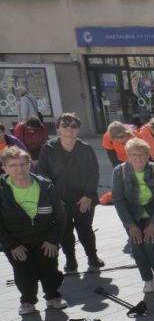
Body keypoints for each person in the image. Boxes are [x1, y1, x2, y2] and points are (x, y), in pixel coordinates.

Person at [0, 147, 66, 315]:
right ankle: (27, 301)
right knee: (24, 273)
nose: (19, 169)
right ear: (5, 168)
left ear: (30, 165)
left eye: (23, 164)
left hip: (45, 238)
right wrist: (11, 244)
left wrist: (53, 240)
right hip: (16, 241)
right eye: (13, 165)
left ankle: (53, 296)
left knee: (49, 269)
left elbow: (59, 215)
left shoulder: (45, 185)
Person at [39, 113, 103, 274]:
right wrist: (54, 199)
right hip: (60, 200)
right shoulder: (48, 148)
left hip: (84, 199)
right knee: (65, 231)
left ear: (78, 129)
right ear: (58, 128)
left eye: (73, 126)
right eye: (65, 125)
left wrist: (88, 195)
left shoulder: (86, 148)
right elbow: (43, 175)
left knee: (85, 229)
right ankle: (70, 260)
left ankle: (92, 256)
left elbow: (93, 173)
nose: (69, 129)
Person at [112, 138, 154, 294]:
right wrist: (130, 225)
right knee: (137, 246)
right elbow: (118, 200)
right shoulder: (120, 171)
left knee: (150, 244)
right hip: (133, 215)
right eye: (133, 154)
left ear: (148, 155)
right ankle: (147, 280)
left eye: (142, 154)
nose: (138, 158)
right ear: (127, 155)